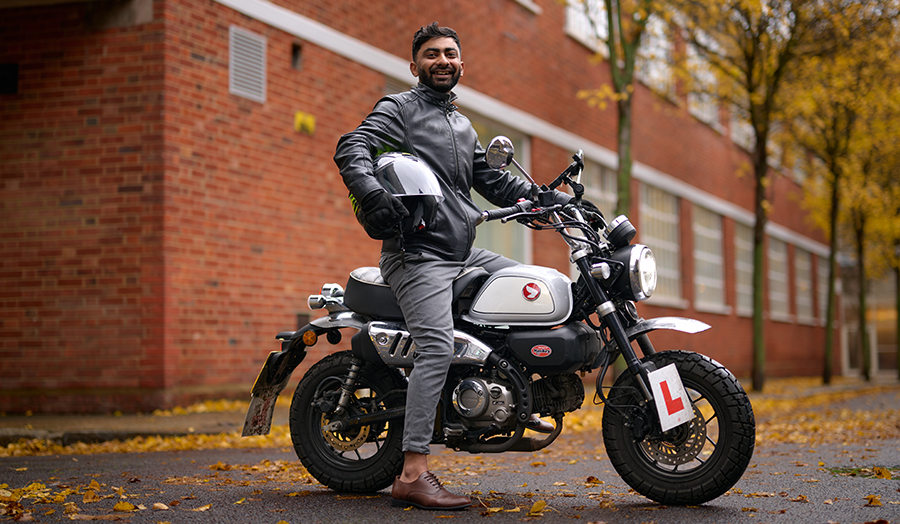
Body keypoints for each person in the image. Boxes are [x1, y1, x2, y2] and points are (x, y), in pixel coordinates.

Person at [333, 22, 576, 511]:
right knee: (436, 346)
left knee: (534, 290)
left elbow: (493, 180)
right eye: (431, 54)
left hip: (461, 252)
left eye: (449, 53)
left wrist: (544, 197)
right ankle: (413, 472)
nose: (441, 60)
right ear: (415, 65)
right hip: (417, 255)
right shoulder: (399, 109)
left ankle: (502, 399)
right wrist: (371, 191)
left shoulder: (461, 126)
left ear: (462, 64)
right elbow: (351, 148)